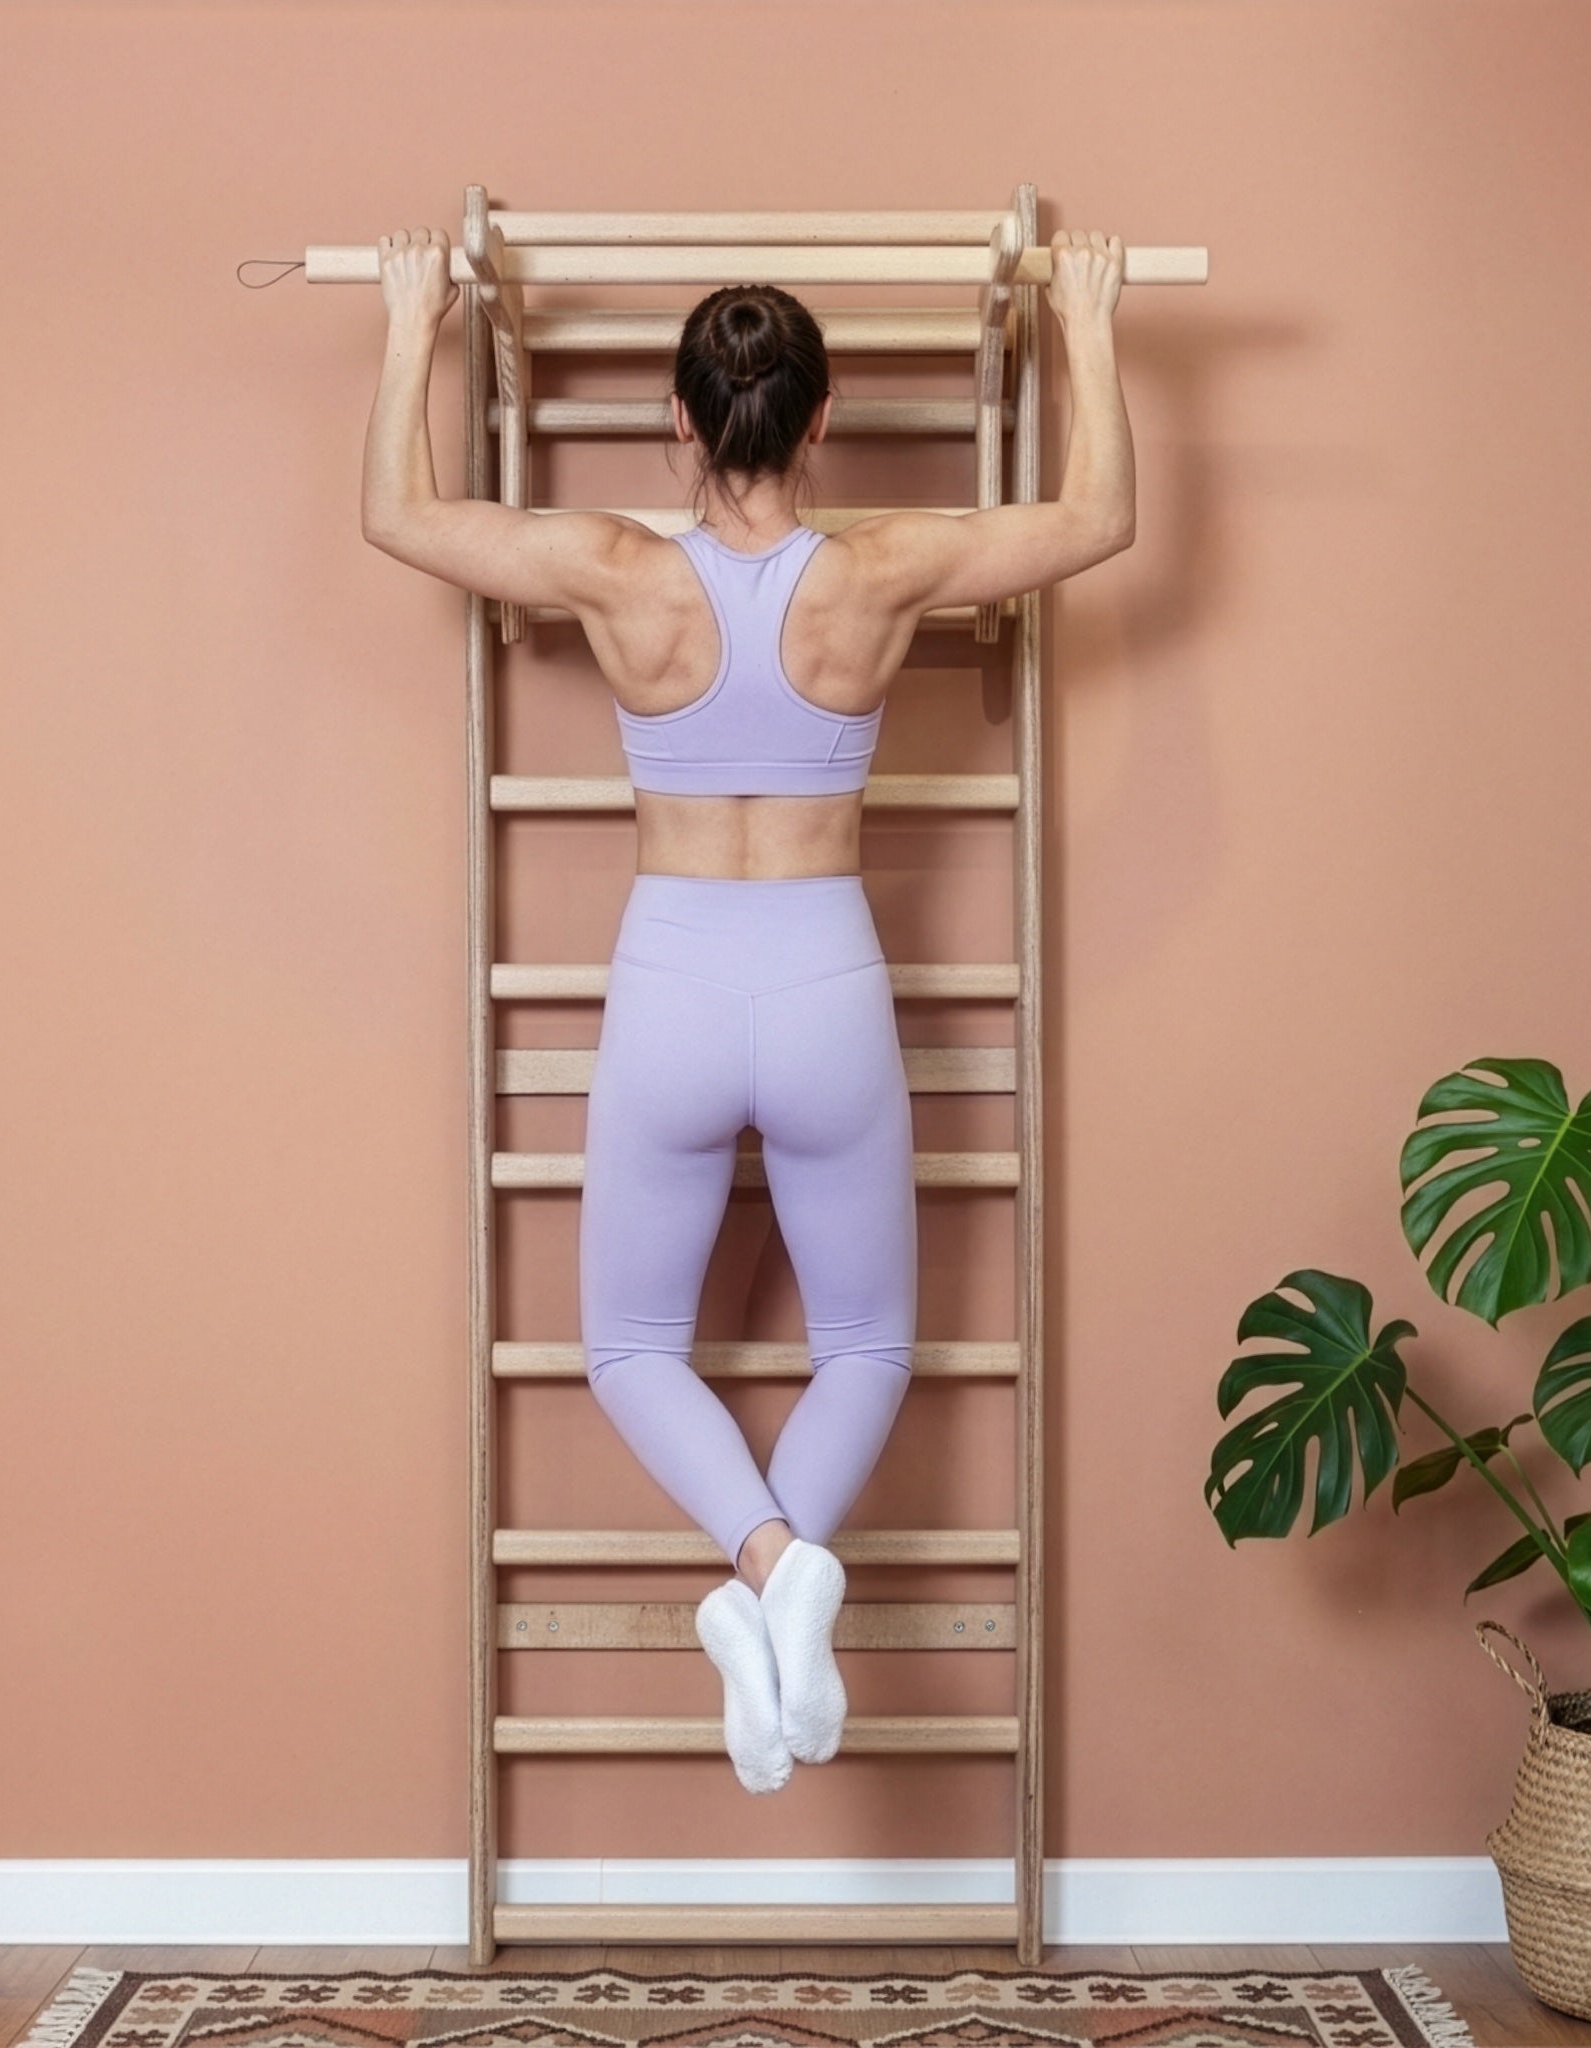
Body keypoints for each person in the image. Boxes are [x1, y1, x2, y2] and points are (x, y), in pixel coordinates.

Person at [361, 224, 1134, 1793]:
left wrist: (409, 323)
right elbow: (1099, 517)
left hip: (673, 982)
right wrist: (1091, 324)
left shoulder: (617, 571)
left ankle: (770, 1562)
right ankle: (789, 1576)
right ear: (821, 422)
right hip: (832, 974)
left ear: (680, 426)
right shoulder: (881, 570)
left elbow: (400, 515)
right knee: (867, 1346)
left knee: (634, 1345)